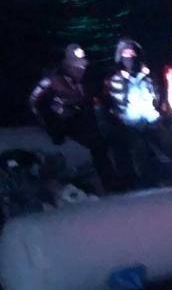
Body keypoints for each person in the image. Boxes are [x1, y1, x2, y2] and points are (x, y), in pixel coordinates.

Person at [29, 43, 113, 192]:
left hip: (77, 120)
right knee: (96, 144)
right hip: (61, 123)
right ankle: (108, 182)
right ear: (67, 65)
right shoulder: (52, 82)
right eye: (77, 66)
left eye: (83, 66)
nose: (81, 69)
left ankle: (110, 182)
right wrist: (52, 126)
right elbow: (36, 102)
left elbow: (86, 100)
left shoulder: (81, 82)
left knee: (100, 142)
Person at [102, 37, 167, 189]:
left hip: (151, 118)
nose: (129, 57)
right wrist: (124, 119)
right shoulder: (115, 79)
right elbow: (115, 105)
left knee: (165, 139)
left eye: (132, 53)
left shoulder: (147, 76)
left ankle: (168, 174)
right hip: (129, 123)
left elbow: (156, 96)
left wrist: (157, 114)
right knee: (139, 146)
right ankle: (145, 181)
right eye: (125, 53)